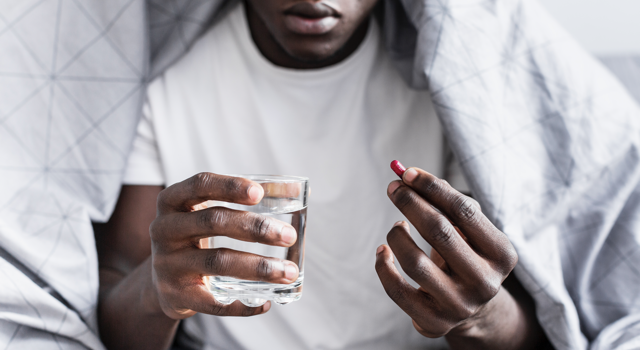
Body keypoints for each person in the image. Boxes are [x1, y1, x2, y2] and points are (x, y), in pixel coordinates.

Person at [93, 0, 552, 349]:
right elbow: (116, 300)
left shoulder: (455, 85)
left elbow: (542, 332)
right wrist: (159, 293)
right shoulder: (165, 81)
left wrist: (481, 315)